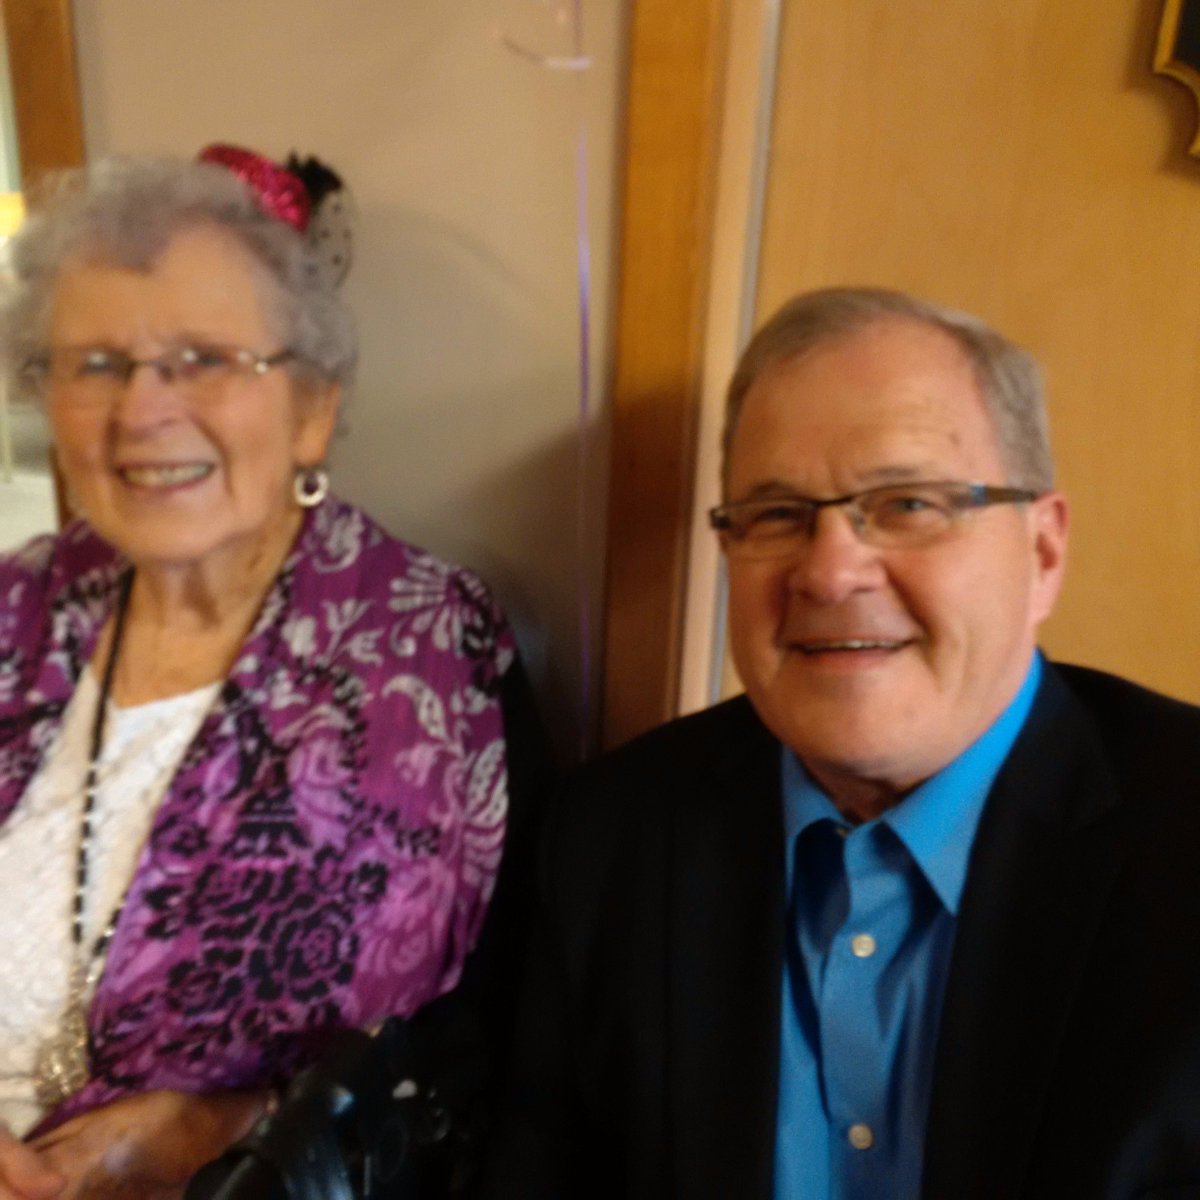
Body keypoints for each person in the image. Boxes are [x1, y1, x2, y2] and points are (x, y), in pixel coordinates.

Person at [482, 286, 1200, 1198]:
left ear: (1043, 552)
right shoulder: (608, 837)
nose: (828, 572)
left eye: (908, 504)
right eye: (777, 514)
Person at [0, 150, 538, 1199]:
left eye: (205, 359)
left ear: (311, 410)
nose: (143, 410)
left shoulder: (436, 651)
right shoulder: (13, 605)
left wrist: (228, 1126)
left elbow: (490, 1039)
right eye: (95, 364)